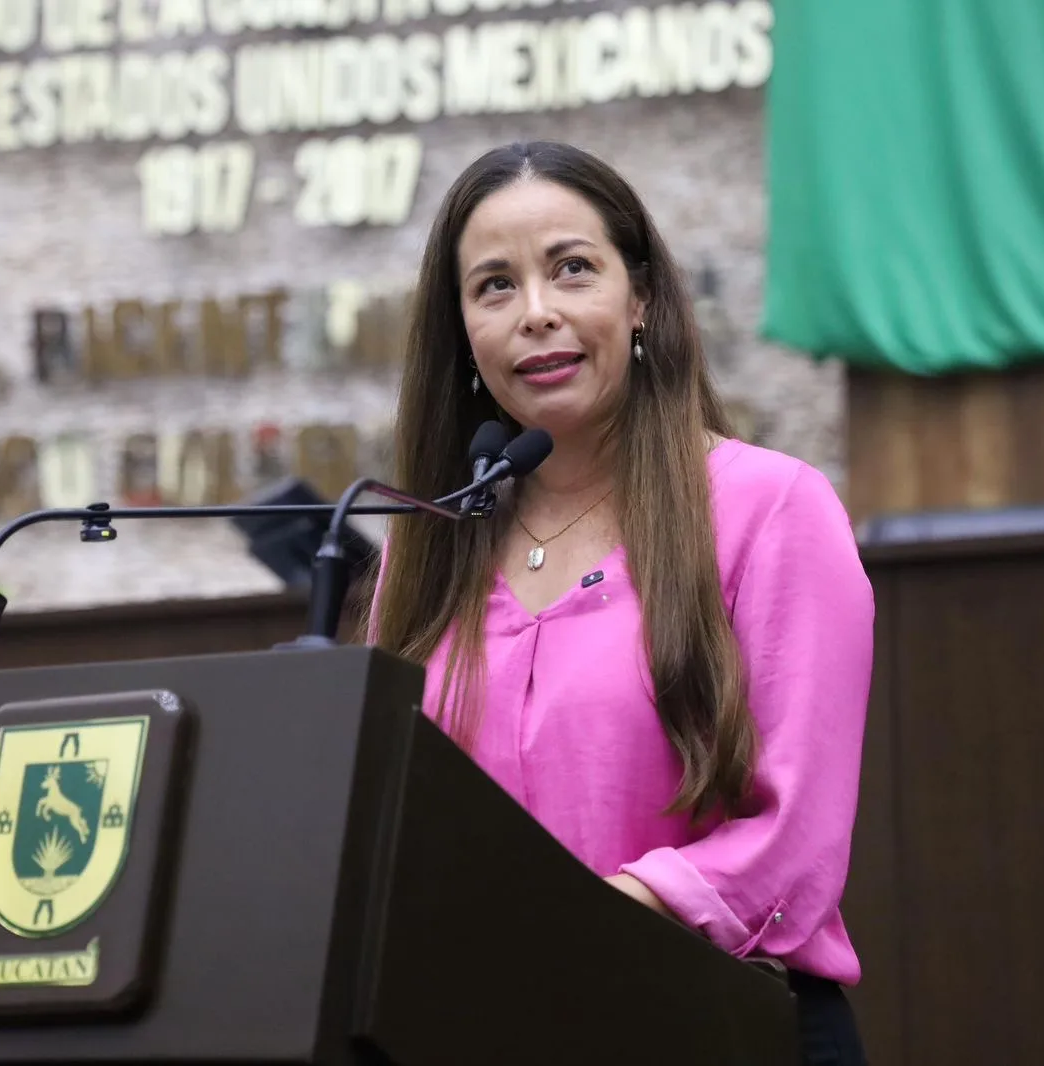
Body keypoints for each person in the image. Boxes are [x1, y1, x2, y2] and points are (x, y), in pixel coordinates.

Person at [364, 141, 874, 1066]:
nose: (537, 312)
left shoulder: (768, 507)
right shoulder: (425, 543)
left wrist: (581, 928)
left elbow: (792, 839)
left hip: (717, 1025)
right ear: (463, 332)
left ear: (639, 299)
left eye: (572, 269)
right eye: (495, 286)